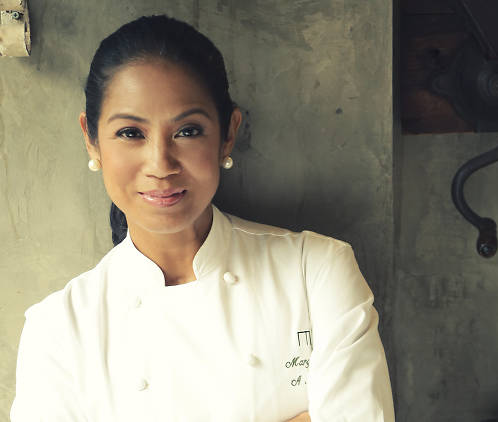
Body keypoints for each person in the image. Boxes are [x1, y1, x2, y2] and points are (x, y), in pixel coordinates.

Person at [10, 15, 394, 422]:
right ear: (91, 139)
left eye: (188, 131)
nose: (160, 164)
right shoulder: (58, 329)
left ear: (228, 133)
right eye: (130, 133)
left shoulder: (315, 270)